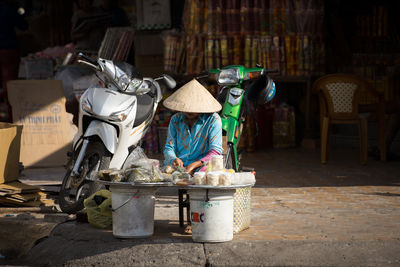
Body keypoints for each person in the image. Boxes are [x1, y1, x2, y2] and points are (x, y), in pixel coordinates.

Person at [163, 79, 223, 175]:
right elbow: (169, 147)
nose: (189, 110)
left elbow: (215, 152)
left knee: (204, 174)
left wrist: (194, 165)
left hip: (202, 166)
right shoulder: (176, 119)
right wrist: (174, 159)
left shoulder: (213, 120)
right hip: (178, 167)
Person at [0, 0, 28, 122]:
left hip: (7, 49)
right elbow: (23, 25)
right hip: (8, 49)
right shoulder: (8, 8)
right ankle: (12, 117)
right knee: (10, 85)